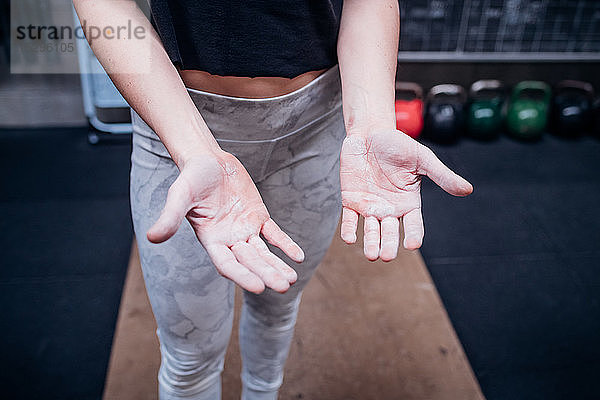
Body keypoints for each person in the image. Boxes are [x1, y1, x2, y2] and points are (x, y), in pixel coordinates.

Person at [73, 1, 473, 399]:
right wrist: (194, 150)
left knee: (278, 306)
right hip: (177, 125)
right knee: (190, 355)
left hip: (312, 126)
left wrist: (371, 127)